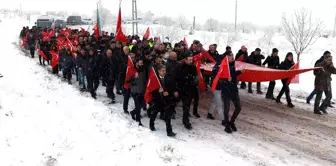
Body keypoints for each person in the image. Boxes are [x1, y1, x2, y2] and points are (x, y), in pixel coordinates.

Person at [149, 65, 177, 137]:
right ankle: (151, 125)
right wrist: (158, 91)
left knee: (168, 116)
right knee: (154, 113)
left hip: (167, 101)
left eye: (165, 70)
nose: (164, 72)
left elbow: (172, 87)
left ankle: (169, 131)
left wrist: (168, 92)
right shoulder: (155, 79)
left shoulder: (168, 78)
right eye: (163, 71)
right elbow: (151, 90)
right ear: (158, 71)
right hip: (158, 100)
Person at [221, 51, 244, 133]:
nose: (232, 59)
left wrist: (239, 72)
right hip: (226, 91)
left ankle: (231, 122)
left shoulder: (232, 65)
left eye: (233, 58)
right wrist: (226, 80)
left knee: (238, 108)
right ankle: (227, 125)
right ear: (226, 58)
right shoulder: (223, 66)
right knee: (226, 109)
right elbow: (218, 77)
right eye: (230, 58)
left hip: (234, 90)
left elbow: (233, 74)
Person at [176, 52, 198, 130]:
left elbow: (195, 77)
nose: (191, 61)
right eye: (189, 60)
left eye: (191, 60)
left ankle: (186, 121)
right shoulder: (180, 67)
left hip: (188, 90)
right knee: (173, 104)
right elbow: (177, 78)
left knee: (186, 106)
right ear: (185, 60)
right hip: (180, 89)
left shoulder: (193, 67)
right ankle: (167, 115)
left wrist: (194, 81)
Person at [128, 57, 147, 126]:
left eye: (142, 63)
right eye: (140, 63)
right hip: (135, 91)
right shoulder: (132, 70)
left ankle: (133, 112)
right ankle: (138, 121)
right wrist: (133, 77)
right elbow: (127, 80)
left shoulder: (143, 70)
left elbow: (144, 80)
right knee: (138, 106)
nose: (142, 64)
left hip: (142, 90)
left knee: (142, 105)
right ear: (136, 63)